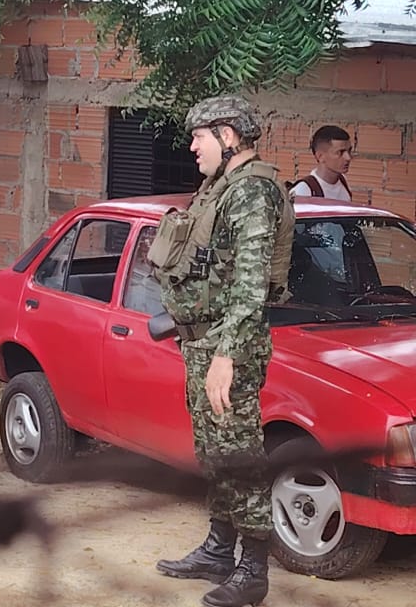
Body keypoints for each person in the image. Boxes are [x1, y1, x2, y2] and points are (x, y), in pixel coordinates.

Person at [149, 95, 294, 607]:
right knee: (213, 452)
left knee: (238, 455)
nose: (192, 147)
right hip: (203, 341)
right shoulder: (220, 186)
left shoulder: (252, 191)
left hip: (229, 345)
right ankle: (218, 549)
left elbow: (251, 288)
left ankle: (252, 571)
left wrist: (226, 357)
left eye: (199, 136)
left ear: (228, 135)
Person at [289, 124, 353, 201]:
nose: (348, 158)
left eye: (349, 151)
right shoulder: (303, 191)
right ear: (320, 156)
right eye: (340, 152)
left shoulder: (343, 181)